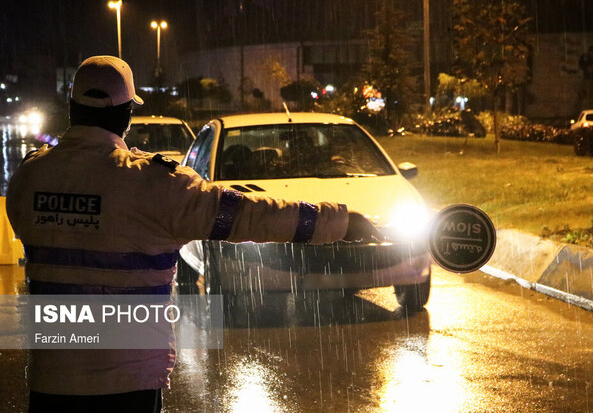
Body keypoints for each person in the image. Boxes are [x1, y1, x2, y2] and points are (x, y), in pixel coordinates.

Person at [6, 55, 379, 412]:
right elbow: (252, 215)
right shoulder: (155, 186)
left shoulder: (31, 176)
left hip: (52, 379)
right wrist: (339, 222)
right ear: (126, 115)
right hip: (128, 384)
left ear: (72, 109)